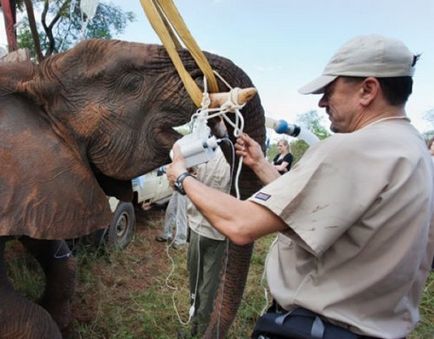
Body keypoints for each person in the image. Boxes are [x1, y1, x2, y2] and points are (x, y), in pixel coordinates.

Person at [167, 35, 434, 339]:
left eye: (329, 90)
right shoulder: (414, 152)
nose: (321, 102)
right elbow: (318, 207)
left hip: (318, 327)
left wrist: (181, 177)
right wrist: (261, 165)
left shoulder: (352, 149)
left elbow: (241, 224)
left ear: (368, 89)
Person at [186, 147, 231, 337]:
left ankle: (197, 329)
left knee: (196, 282)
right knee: (208, 286)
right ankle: (199, 327)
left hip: (199, 228)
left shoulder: (202, 149)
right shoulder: (232, 156)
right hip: (217, 232)